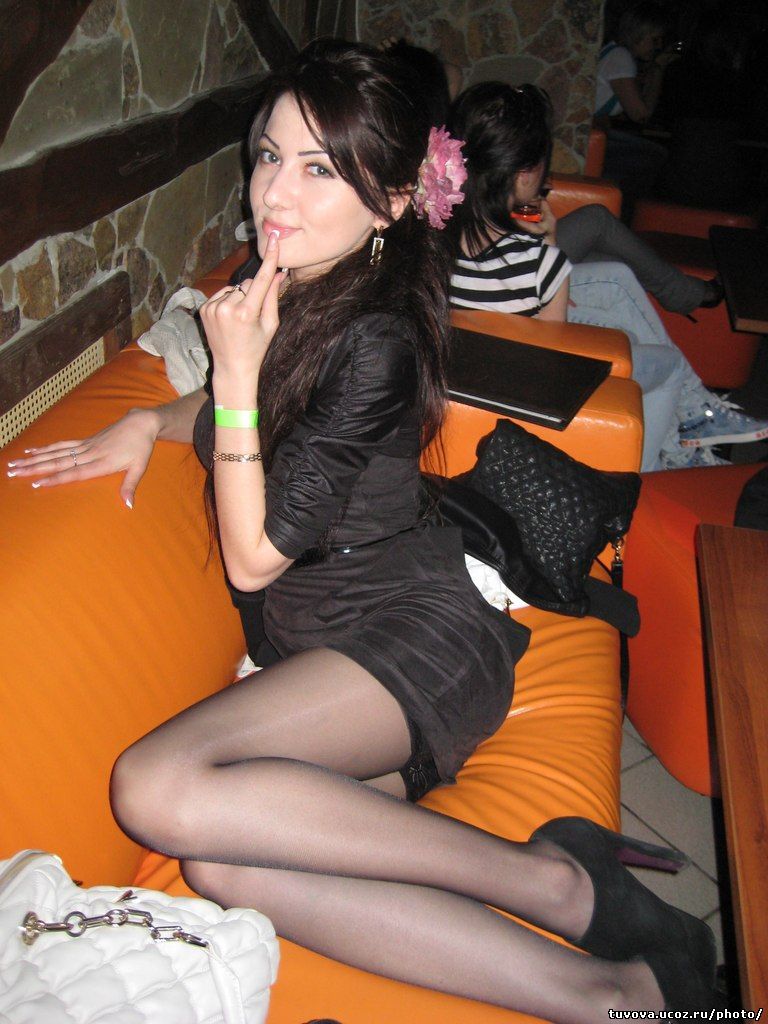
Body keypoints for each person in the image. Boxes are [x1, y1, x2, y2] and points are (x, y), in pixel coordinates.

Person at [7, 40, 718, 1018]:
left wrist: (236, 377)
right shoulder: (293, 283)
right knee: (221, 863)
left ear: (390, 202)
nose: (275, 192)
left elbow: (255, 557)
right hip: (325, 661)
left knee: (154, 788)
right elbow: (252, 412)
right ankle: (612, 991)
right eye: (268, 155)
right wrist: (153, 418)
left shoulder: (378, 334)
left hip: (414, 638)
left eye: (319, 169)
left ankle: (554, 881)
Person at [448, 81, 768, 471]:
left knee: (616, 275)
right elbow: (550, 353)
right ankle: (656, 467)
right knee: (662, 361)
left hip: (475, 353)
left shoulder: (434, 233)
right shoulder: (541, 262)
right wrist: (550, 255)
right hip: (526, 383)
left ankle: (696, 418)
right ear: (525, 174)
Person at [593, 2, 675, 219]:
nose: (657, 46)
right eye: (654, 40)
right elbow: (640, 114)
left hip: (599, 131)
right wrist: (659, 69)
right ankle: (627, 217)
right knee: (654, 155)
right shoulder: (621, 57)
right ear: (639, 33)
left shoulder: (614, 52)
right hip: (595, 134)